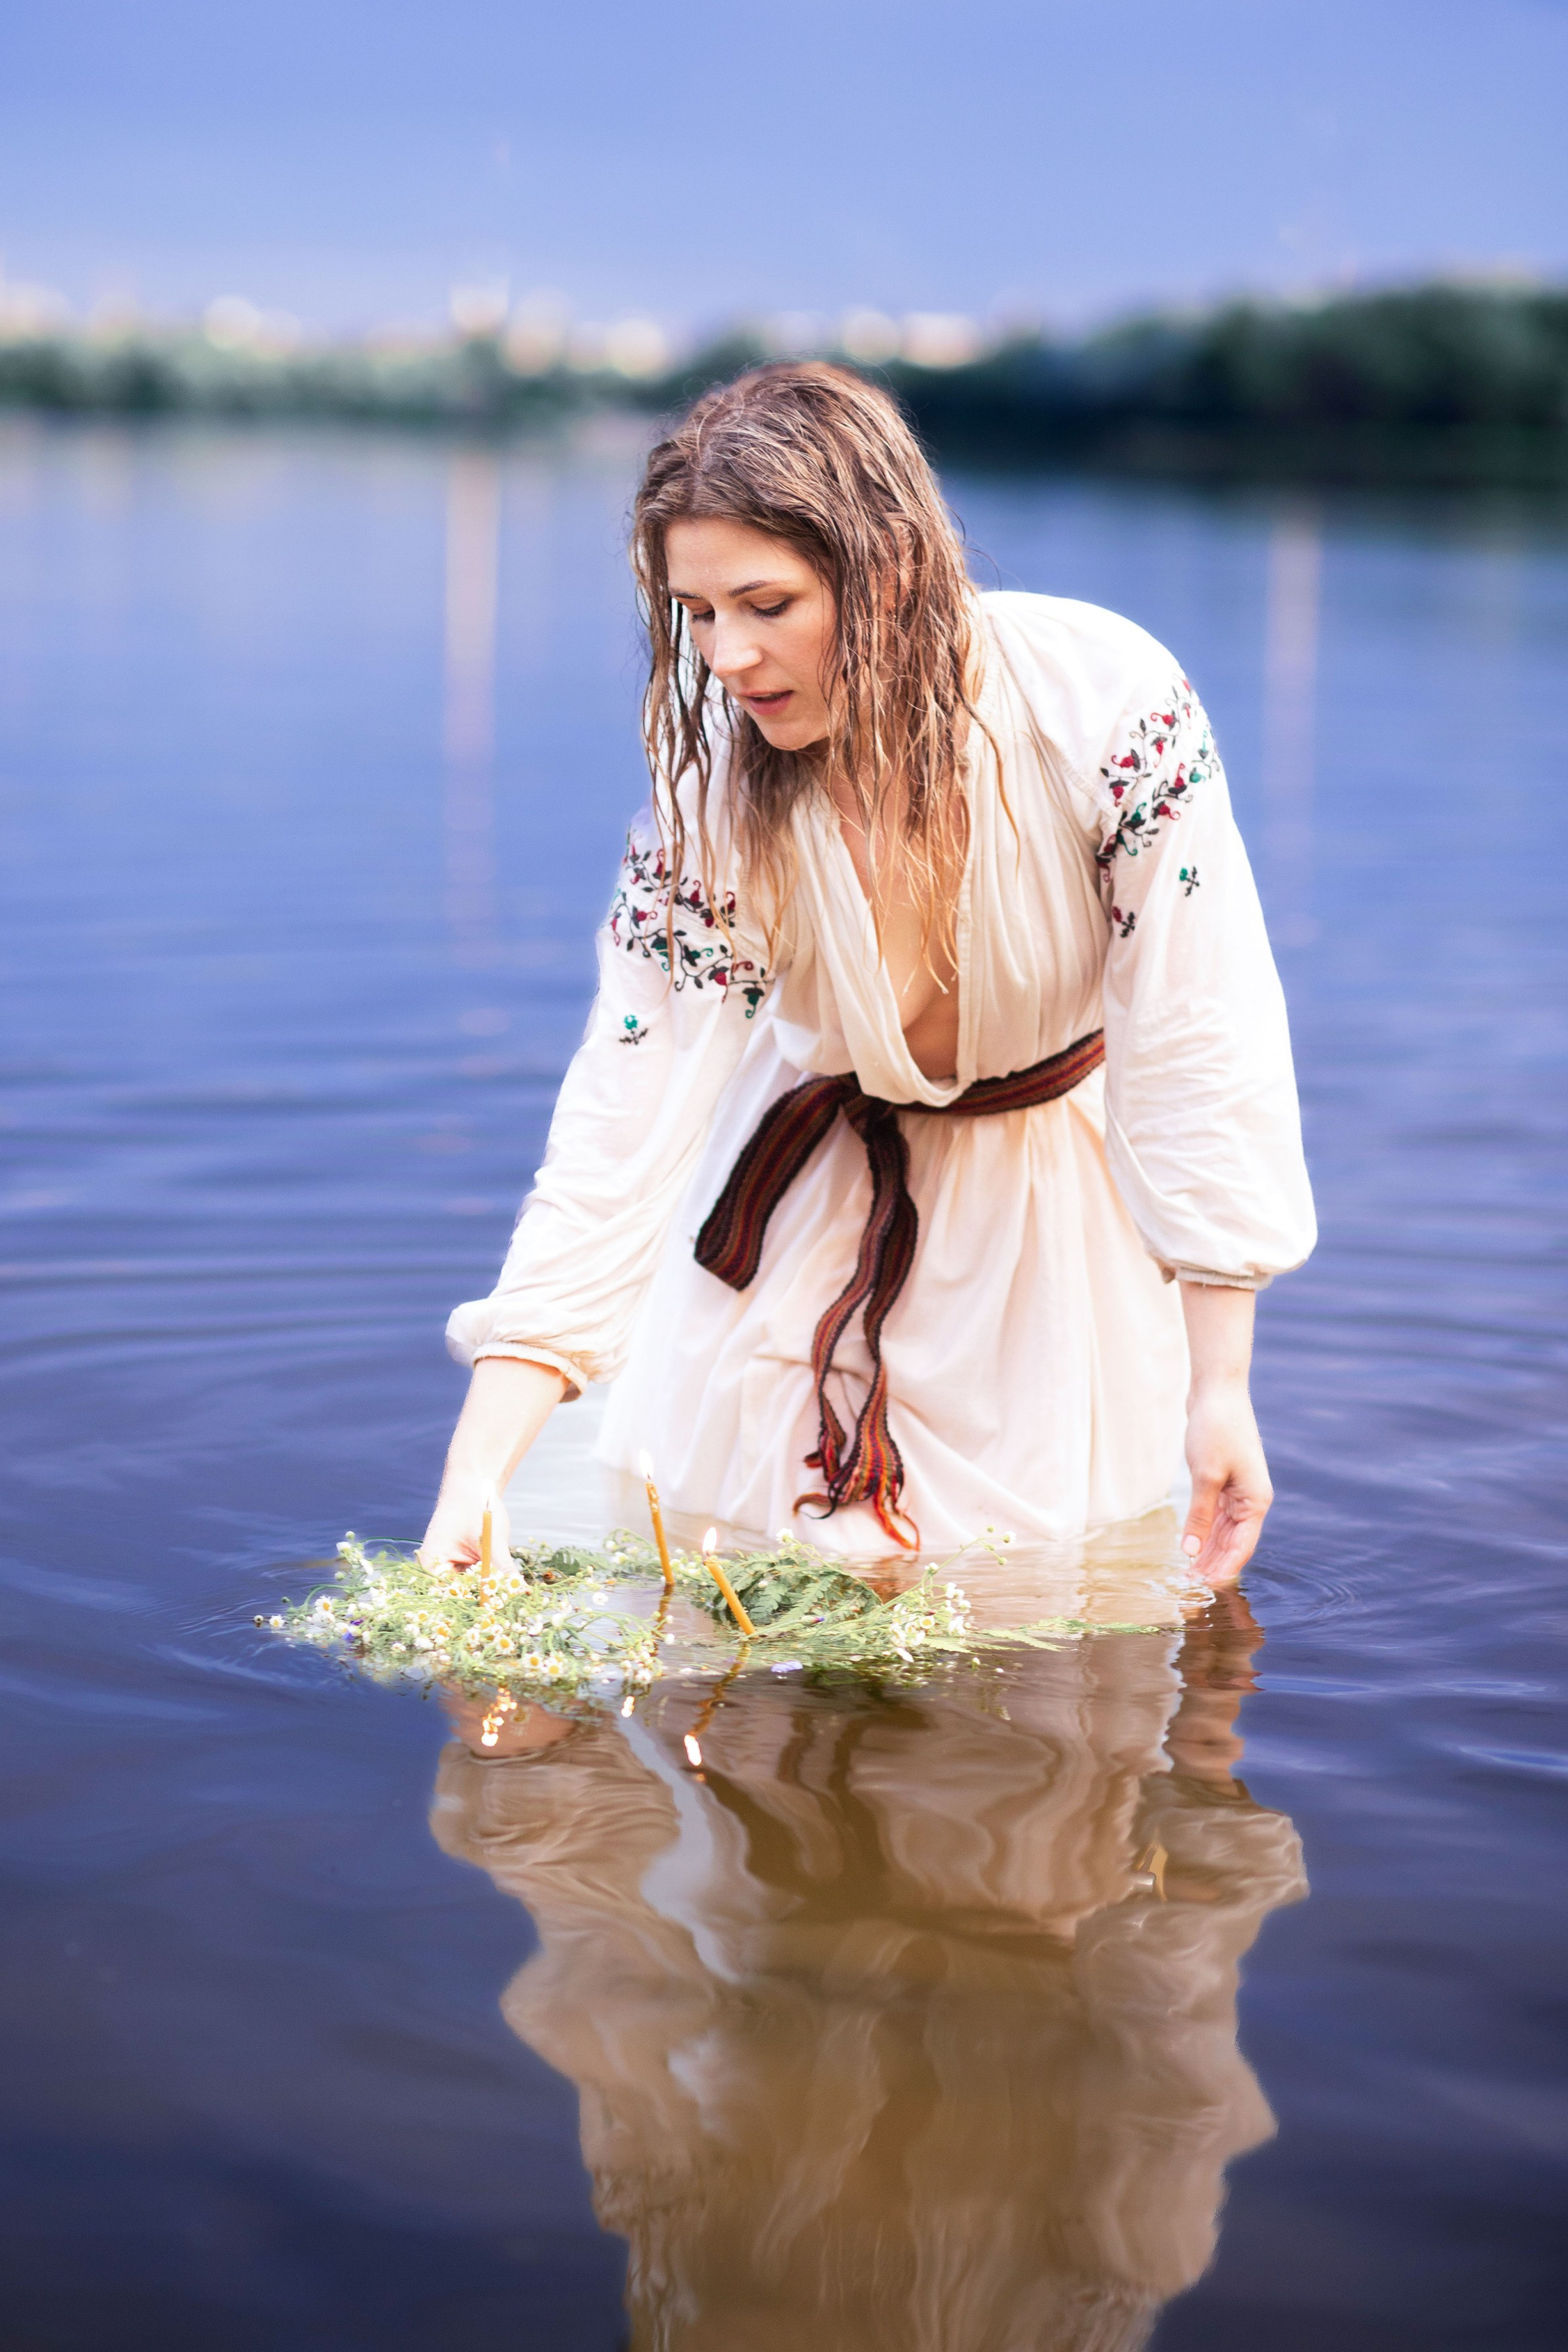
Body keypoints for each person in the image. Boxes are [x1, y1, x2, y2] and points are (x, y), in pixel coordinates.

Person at [421, 363, 1313, 1582]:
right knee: (735, 1621)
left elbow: (1198, 1027)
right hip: (804, 1222)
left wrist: (1222, 1385)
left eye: (765, 603)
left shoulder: (1104, 704)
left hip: (1046, 1239)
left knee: (1016, 1641)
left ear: (884, 567)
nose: (727, 658)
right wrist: (478, 1473)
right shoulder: (713, 808)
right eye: (696, 613)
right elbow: (622, 1123)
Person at [431, 1605, 1307, 2351]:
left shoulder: (1095, 2269)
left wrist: (521, 1768)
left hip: (909, 1809)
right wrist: (1203, 1759)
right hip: (960, 1805)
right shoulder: (1099, 2269)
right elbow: (1169, 2061)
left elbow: (626, 2017)